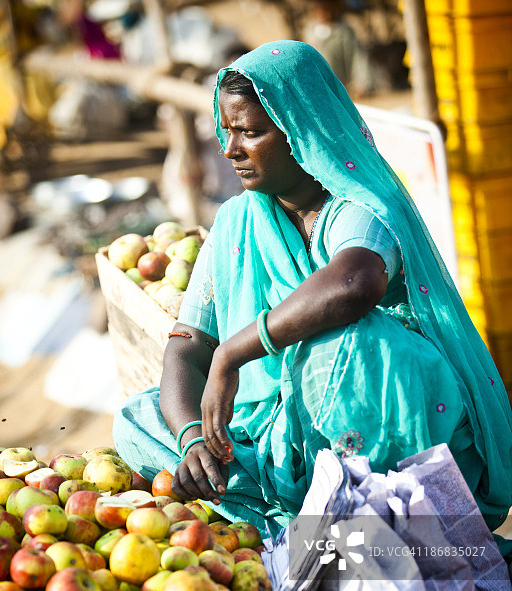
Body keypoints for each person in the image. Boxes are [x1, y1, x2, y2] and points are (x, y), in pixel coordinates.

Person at [113, 40, 512, 553]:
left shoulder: (361, 205)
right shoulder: (238, 221)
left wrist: (235, 352)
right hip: (278, 431)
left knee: (347, 345)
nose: (230, 149)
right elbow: (188, 343)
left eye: (250, 132)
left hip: (381, 418)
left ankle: (362, 529)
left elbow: (354, 283)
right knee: (138, 420)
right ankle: (292, 517)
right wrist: (193, 437)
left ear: (300, 132)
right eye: (228, 130)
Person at [299, 0, 374, 99]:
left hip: (338, 90)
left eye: (328, 9)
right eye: (319, 9)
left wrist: (362, 83)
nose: (324, 14)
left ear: (336, 5)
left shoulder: (343, 31)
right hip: (316, 89)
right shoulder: (309, 31)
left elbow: (357, 58)